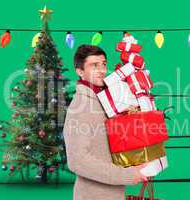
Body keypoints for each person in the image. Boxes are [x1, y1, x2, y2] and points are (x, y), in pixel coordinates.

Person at [63, 45, 148, 200]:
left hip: (114, 193)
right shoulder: (80, 107)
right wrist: (126, 175)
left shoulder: (105, 100)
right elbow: (77, 161)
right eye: (94, 65)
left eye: (103, 64)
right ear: (80, 71)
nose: (102, 70)